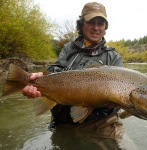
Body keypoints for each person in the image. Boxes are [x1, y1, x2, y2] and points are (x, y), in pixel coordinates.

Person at [22, 2, 124, 139]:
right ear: (82, 24)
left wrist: (109, 104)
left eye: (100, 23)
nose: (95, 28)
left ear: (105, 27)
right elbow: (57, 69)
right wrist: (40, 79)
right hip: (63, 123)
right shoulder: (69, 48)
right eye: (91, 22)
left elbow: (121, 98)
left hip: (100, 125)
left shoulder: (113, 57)